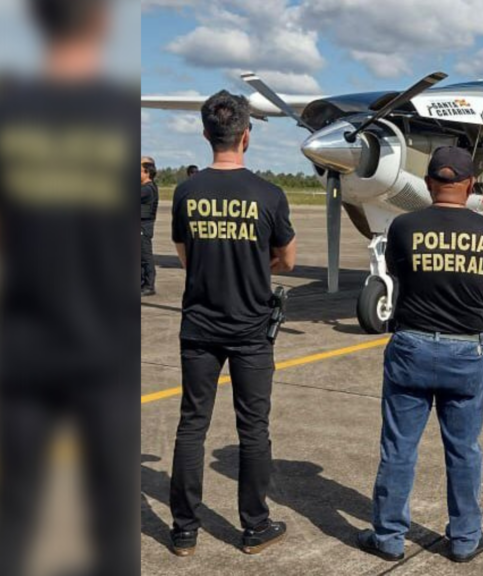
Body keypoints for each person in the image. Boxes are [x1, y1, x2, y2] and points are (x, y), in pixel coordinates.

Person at [0, 0, 140, 575]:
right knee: (111, 514)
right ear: (98, 24)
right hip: (101, 340)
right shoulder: (121, 116)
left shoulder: (4, 113)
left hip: (22, 335)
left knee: (12, 506)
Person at [357, 146, 483, 563]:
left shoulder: (405, 227)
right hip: (465, 351)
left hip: (412, 346)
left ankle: (388, 536)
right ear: (470, 184)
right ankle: (464, 538)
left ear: (428, 184)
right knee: (463, 449)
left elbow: (400, 273)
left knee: (399, 447)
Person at [168, 90, 297, 557]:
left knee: (192, 425)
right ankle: (254, 526)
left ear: (206, 134)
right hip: (250, 329)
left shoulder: (186, 191)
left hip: (199, 326)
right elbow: (286, 258)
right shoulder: (269, 194)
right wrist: (252, 266)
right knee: (253, 429)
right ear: (247, 135)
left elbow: (185, 256)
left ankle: (184, 529)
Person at [141, 155, 158, 296]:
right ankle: (143, 282)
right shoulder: (146, 187)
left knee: (145, 257)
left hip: (143, 226)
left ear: (147, 172)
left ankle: (149, 285)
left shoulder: (147, 189)